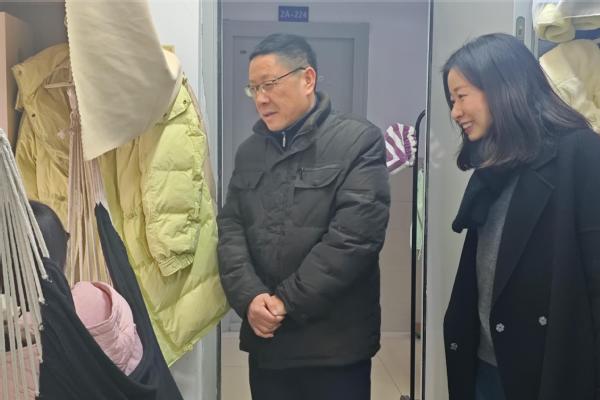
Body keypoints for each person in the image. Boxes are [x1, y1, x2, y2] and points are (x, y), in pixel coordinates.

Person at [217, 33, 390, 400]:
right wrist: (251, 298)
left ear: (307, 79)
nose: (260, 98)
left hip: (335, 348)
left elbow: (354, 238)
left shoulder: (358, 141)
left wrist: (285, 302)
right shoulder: (249, 152)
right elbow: (231, 227)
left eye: (269, 84)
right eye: (253, 89)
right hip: (268, 343)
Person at [442, 33, 600, 400]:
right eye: (452, 101)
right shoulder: (494, 166)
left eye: (461, 96)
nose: (455, 113)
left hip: (547, 369)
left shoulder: (581, 153)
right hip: (486, 364)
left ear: (502, 88)